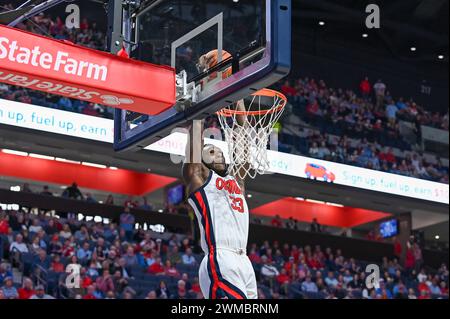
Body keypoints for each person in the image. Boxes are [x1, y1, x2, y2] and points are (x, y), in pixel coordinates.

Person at [182, 87, 257, 299]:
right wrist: (201, 104)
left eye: (221, 151)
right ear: (202, 163)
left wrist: (240, 97)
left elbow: (243, 143)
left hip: (244, 262)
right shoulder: (200, 181)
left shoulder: (236, 182)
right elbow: (195, 147)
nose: (221, 154)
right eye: (212, 152)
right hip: (220, 257)